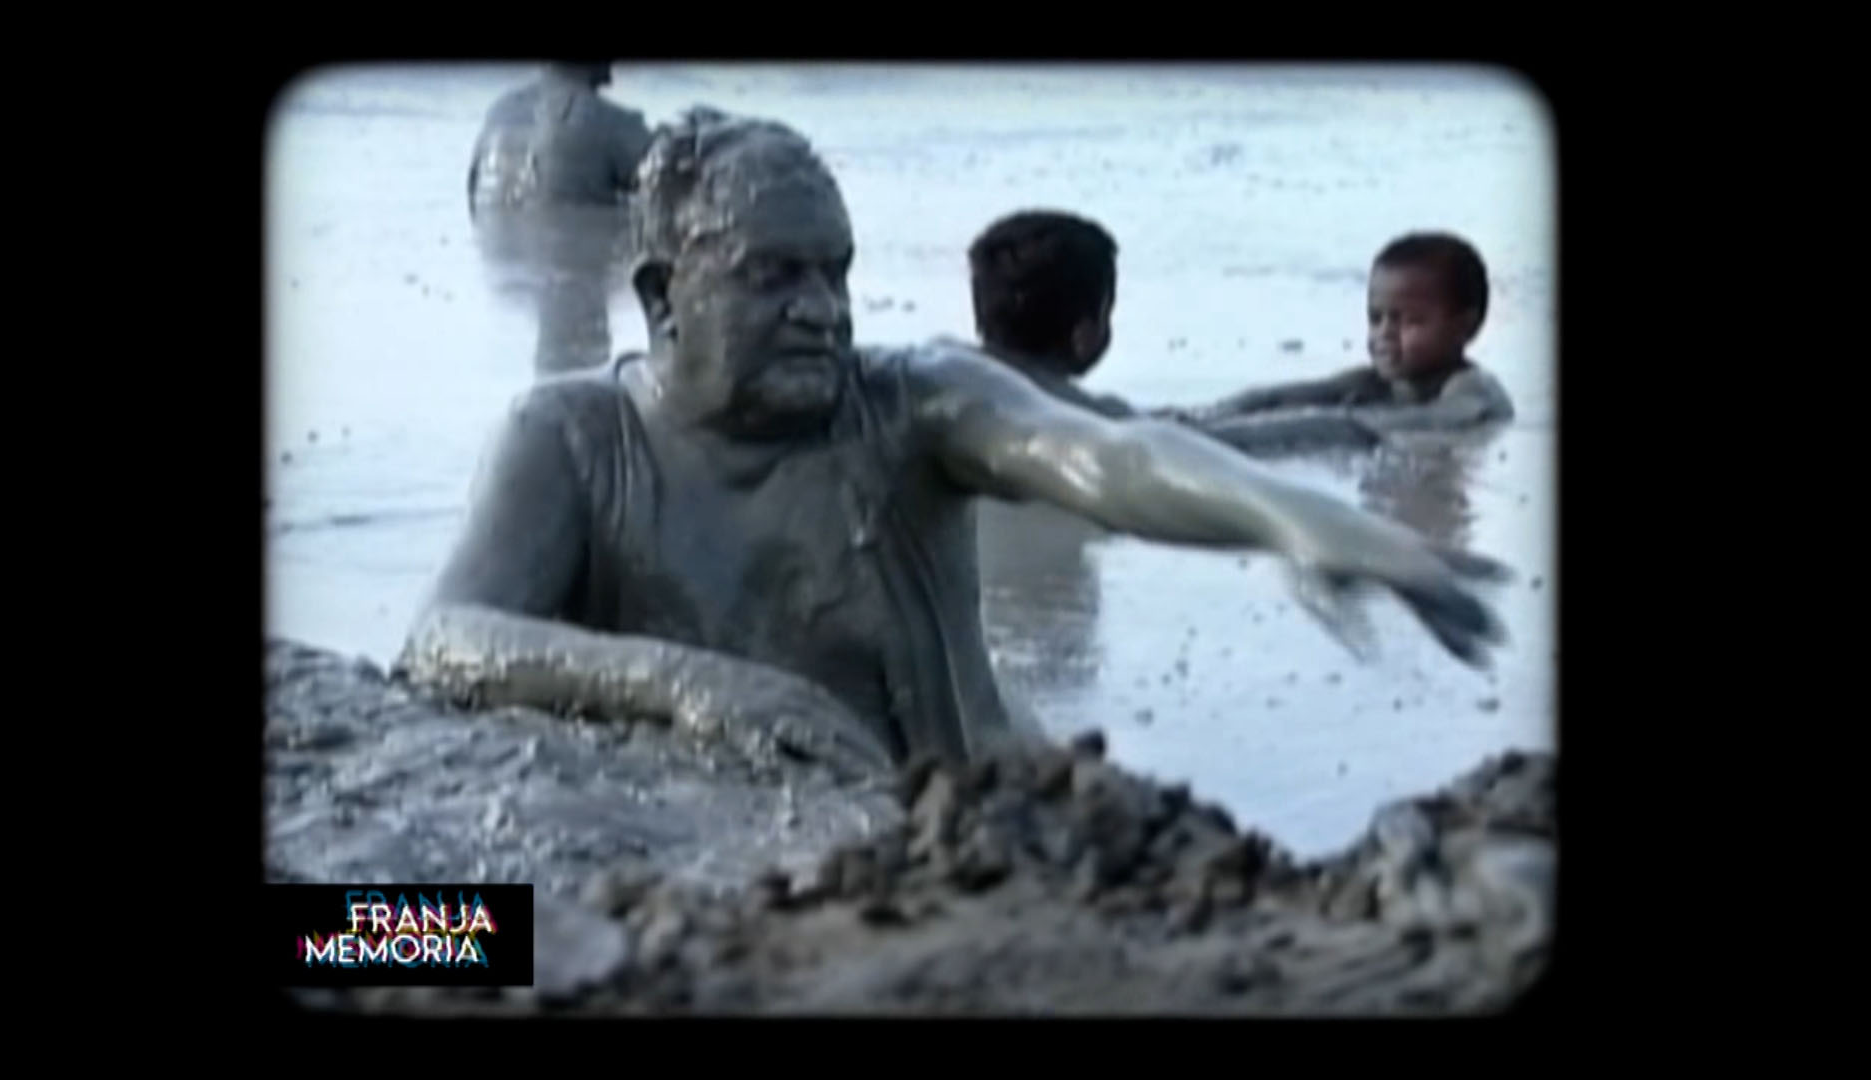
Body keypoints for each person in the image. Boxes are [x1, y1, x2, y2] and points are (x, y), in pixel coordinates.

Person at [397, 109, 1509, 783]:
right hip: (698, 837)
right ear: (661, 297)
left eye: (835, 272)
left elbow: (1114, 463)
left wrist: (1299, 519)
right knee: (335, 938)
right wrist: (693, 687)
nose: (823, 311)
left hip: (951, 834)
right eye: (773, 276)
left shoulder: (914, 399)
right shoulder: (574, 437)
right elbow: (447, 639)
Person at [963, 209, 1382, 456]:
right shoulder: (1080, 416)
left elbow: (1177, 420)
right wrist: (1341, 426)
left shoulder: (959, 381)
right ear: (1084, 335)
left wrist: (1316, 392)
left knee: (1216, 409)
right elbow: (1212, 443)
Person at [1171, 233, 1515, 435]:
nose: (1384, 335)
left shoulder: (1473, 387)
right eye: (1375, 318)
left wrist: (1245, 437)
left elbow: (1432, 421)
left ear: (1465, 326)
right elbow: (1276, 399)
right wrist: (1200, 417)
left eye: (1407, 321)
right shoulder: (1375, 383)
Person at [468, 62, 653, 376]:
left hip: (509, 250)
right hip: (576, 269)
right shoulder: (612, 125)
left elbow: (473, 198)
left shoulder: (499, 114)